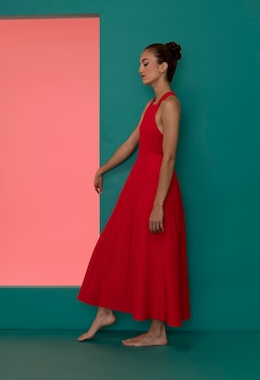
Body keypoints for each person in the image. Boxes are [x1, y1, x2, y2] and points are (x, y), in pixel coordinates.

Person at [77, 42, 190, 347]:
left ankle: (157, 332)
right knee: (114, 245)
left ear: (162, 67)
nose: (139, 70)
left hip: (158, 190)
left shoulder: (169, 104)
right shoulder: (151, 105)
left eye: (145, 63)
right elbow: (130, 144)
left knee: (157, 256)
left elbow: (168, 157)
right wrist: (103, 168)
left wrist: (159, 205)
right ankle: (105, 311)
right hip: (138, 186)